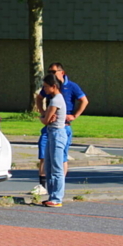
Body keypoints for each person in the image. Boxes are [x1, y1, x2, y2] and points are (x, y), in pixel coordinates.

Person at [31, 62, 88, 198]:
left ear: (62, 72)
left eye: (53, 71)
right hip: (51, 128)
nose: (51, 74)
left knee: (59, 162)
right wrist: (44, 112)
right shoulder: (51, 89)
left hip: (61, 129)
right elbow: (39, 98)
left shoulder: (66, 90)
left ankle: (57, 194)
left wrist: (74, 115)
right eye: (49, 71)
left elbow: (84, 100)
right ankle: (47, 189)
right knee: (46, 158)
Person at [39, 74, 67, 207]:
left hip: (57, 134)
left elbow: (45, 120)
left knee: (56, 168)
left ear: (54, 86)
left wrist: (42, 117)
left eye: (45, 86)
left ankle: (57, 198)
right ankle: (52, 196)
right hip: (51, 133)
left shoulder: (56, 100)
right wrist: (45, 116)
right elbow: (47, 118)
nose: (44, 89)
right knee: (49, 167)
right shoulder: (54, 99)